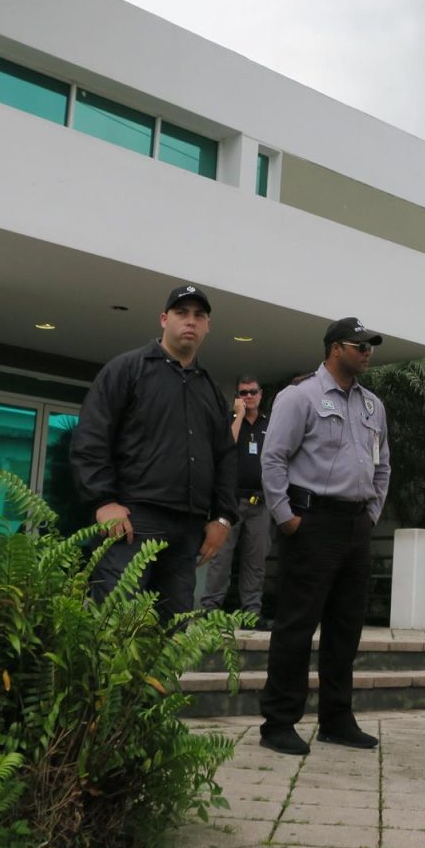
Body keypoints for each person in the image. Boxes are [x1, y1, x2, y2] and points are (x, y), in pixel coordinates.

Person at [257, 317, 390, 756]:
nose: (367, 351)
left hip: (355, 527)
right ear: (335, 348)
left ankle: (336, 719)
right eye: (360, 345)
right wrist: (287, 519)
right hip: (311, 525)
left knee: (345, 630)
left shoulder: (373, 406)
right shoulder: (300, 397)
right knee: (296, 627)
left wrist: (370, 515)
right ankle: (278, 722)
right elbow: (273, 459)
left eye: (371, 345)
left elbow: (382, 465)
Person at [70, 285, 237, 622]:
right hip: (132, 522)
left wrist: (222, 517)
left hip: (188, 530)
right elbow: (91, 437)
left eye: (199, 316)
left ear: (207, 326)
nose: (190, 321)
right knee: (115, 627)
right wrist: (102, 501)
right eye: (181, 313)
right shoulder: (126, 370)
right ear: (164, 319)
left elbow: (225, 457)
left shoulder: (210, 390)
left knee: (170, 635)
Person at [200, 375, 273, 627]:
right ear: (237, 397)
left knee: (256, 560)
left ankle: (251, 613)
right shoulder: (230, 422)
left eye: (253, 392)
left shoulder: (269, 424)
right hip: (230, 501)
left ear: (260, 394)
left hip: (260, 501)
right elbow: (226, 446)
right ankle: (211, 609)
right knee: (221, 557)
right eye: (243, 393)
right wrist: (239, 416)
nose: (248, 397)